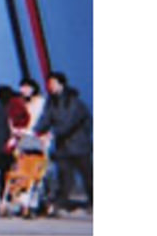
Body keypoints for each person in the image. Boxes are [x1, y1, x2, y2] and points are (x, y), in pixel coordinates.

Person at [34, 71, 92, 213]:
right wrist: (37, 131)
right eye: (49, 84)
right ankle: (60, 203)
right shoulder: (51, 102)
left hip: (79, 146)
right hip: (63, 147)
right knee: (64, 176)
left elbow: (69, 122)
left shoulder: (74, 102)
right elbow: (45, 118)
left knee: (88, 176)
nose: (50, 86)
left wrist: (53, 134)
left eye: (53, 83)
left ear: (61, 84)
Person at [0, 85, 31, 197]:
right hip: (10, 144)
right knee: (15, 169)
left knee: (4, 171)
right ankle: (13, 191)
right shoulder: (10, 109)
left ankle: (4, 192)